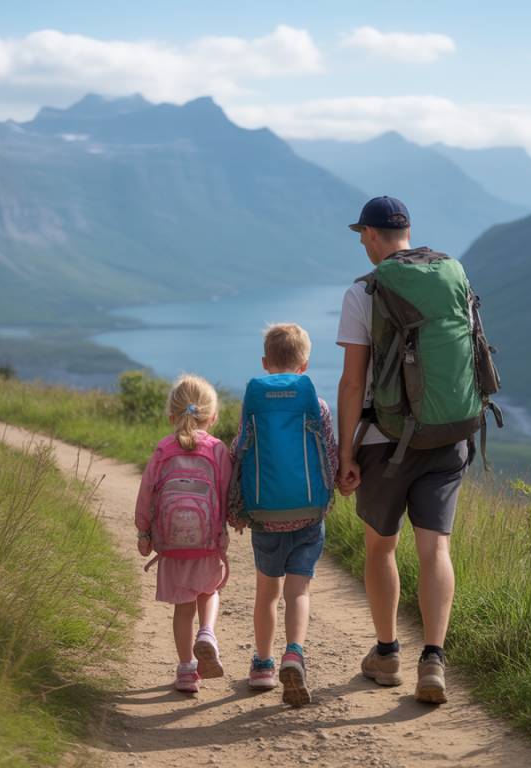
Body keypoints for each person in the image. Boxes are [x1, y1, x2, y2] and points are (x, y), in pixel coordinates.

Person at [336, 196, 469, 705]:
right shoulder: (451, 275)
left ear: (370, 235)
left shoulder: (363, 291)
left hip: (384, 441)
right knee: (436, 547)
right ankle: (433, 660)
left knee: (381, 547)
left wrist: (347, 452)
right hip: (446, 435)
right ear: (408, 232)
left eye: (362, 236)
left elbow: (353, 384)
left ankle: (388, 653)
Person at [229, 323, 338, 707]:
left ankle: (262, 665)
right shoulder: (318, 405)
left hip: (266, 516)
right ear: (305, 364)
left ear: (265, 362)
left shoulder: (254, 402)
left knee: (267, 593)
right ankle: (295, 652)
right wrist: (330, 496)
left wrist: (236, 505)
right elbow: (329, 453)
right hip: (309, 515)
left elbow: (240, 450)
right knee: (298, 592)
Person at [135, 374, 232, 694]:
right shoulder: (217, 450)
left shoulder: (163, 449)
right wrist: (229, 524)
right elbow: (227, 492)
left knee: (183, 607)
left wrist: (144, 533)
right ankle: (207, 633)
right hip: (207, 543)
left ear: (171, 415)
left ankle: (187, 670)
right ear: (213, 417)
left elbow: (147, 493)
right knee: (210, 590)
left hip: (172, 544)